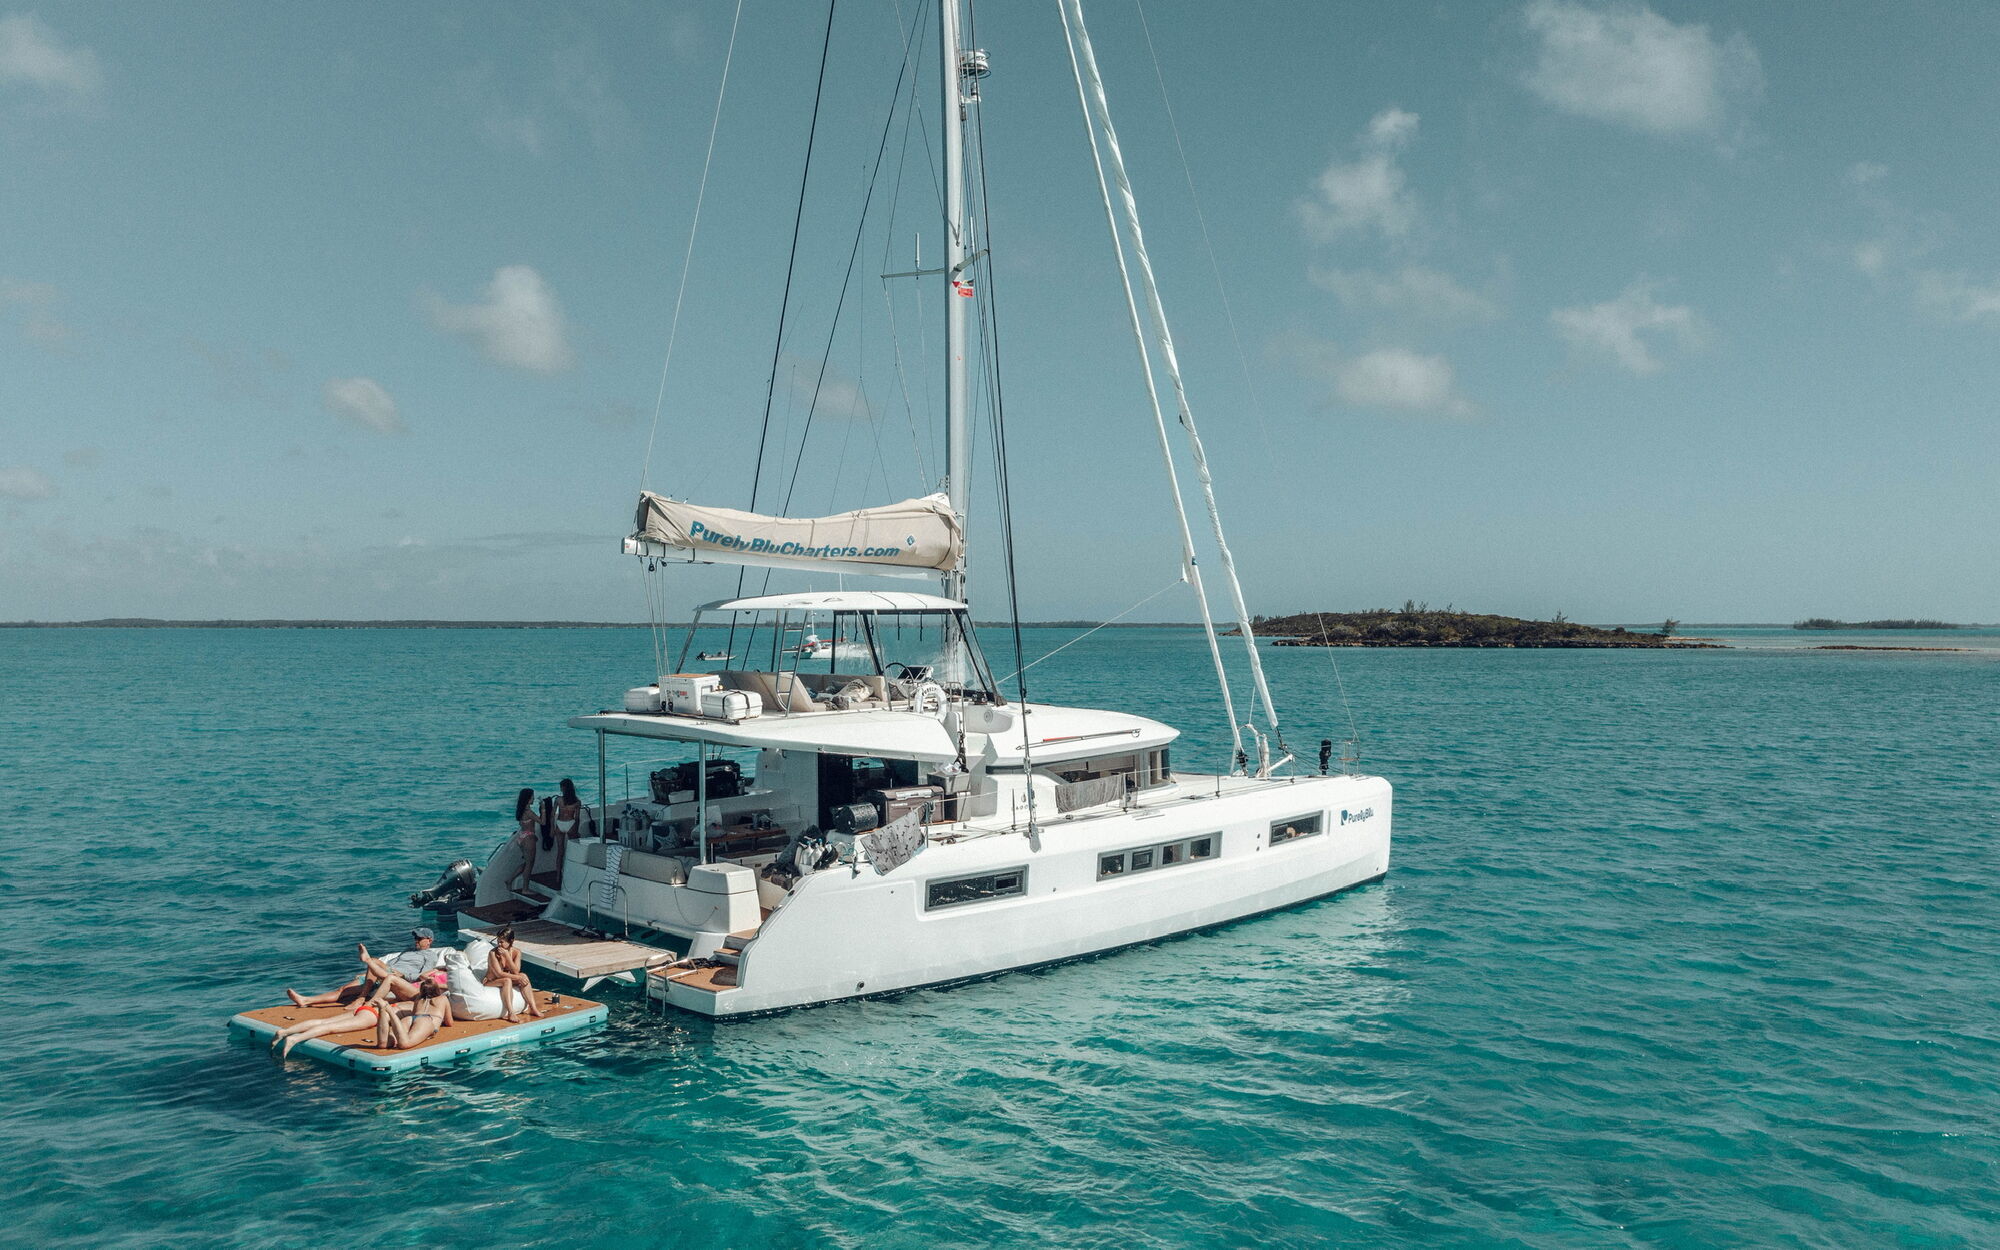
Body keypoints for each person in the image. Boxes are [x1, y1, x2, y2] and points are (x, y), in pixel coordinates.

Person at [284, 929, 442, 1008]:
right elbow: (392, 962)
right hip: (381, 972)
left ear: (429, 940)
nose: (416, 940)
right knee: (343, 989)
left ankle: (362, 996)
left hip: (397, 977)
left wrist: (403, 973)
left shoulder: (430, 955)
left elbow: (423, 976)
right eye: (415, 937)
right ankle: (306, 1000)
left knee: (374, 961)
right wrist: (371, 971)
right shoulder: (409, 950)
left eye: (419, 938)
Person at [270, 996, 418, 1061]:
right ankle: (295, 1038)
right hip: (372, 1016)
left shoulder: (410, 1001)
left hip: (365, 1008)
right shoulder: (416, 1010)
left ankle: (285, 1031)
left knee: (323, 1022)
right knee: (331, 1028)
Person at [377, 975, 455, 1051]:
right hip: (426, 1021)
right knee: (405, 1043)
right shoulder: (443, 998)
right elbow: (449, 1022)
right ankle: (390, 1011)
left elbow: (414, 1015)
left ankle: (382, 1010)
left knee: (384, 1043)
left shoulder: (418, 999)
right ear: (437, 989)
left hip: (410, 1019)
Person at [482, 926, 544, 1021]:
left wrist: (507, 956)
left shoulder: (516, 952)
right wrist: (517, 978)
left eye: (502, 942)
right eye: (498, 941)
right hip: (491, 981)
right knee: (507, 980)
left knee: (523, 975)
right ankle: (511, 1013)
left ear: (511, 941)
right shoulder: (493, 953)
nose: (499, 944)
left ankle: (533, 1008)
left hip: (506, 978)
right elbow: (499, 974)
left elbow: (516, 971)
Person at [549, 778, 590, 876]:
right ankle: (570, 873)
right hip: (571, 824)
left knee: (560, 851)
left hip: (560, 823)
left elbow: (552, 814)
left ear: (563, 788)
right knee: (572, 850)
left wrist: (552, 828)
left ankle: (558, 875)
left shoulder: (558, 800)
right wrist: (576, 830)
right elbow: (577, 818)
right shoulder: (577, 801)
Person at [506, 787, 539, 894]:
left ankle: (509, 880)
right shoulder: (529, 812)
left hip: (522, 836)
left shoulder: (520, 811)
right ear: (528, 798)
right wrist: (543, 808)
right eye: (532, 796)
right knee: (530, 864)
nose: (533, 798)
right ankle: (525, 889)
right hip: (529, 838)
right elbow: (542, 822)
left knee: (526, 863)